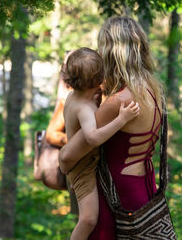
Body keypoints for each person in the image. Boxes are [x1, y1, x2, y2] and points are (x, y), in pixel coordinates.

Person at [59, 16, 165, 239]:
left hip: (115, 195)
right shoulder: (153, 90)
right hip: (145, 188)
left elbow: (68, 156)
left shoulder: (118, 102)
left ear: (110, 55)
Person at [60, 47, 140, 240]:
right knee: (88, 219)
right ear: (99, 80)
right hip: (83, 167)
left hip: (83, 162)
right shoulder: (84, 108)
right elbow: (93, 138)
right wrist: (122, 119)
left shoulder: (74, 97)